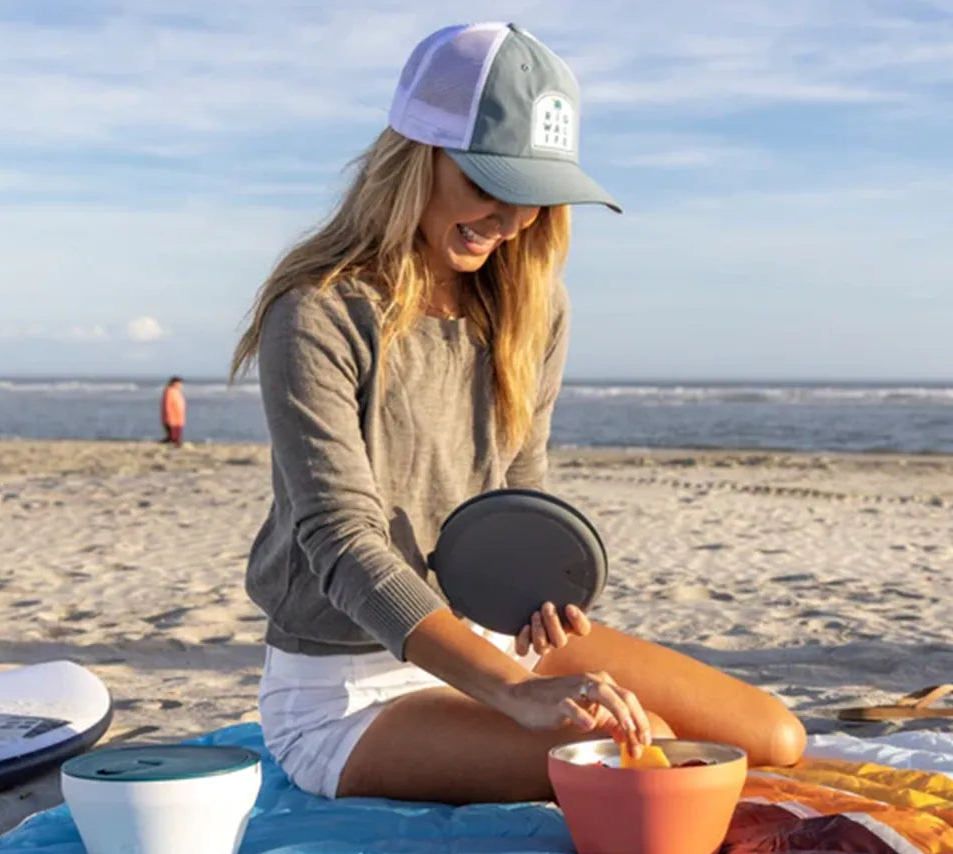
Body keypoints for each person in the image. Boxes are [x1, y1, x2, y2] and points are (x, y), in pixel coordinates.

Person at [230, 22, 806, 805]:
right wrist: (512, 690)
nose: (509, 218)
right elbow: (341, 542)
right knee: (652, 765)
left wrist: (540, 604)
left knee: (774, 739)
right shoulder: (320, 312)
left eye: (533, 195)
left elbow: (520, 492)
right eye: (487, 182)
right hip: (349, 687)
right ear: (414, 158)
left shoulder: (531, 306)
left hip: (496, 646)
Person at [159, 376, 186, 446]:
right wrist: (169, 416)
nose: (180, 385)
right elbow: (167, 405)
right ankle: (173, 443)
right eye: (179, 384)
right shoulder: (170, 391)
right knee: (173, 435)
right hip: (172, 417)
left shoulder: (176, 392)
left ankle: (173, 442)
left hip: (178, 417)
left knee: (176, 434)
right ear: (174, 383)